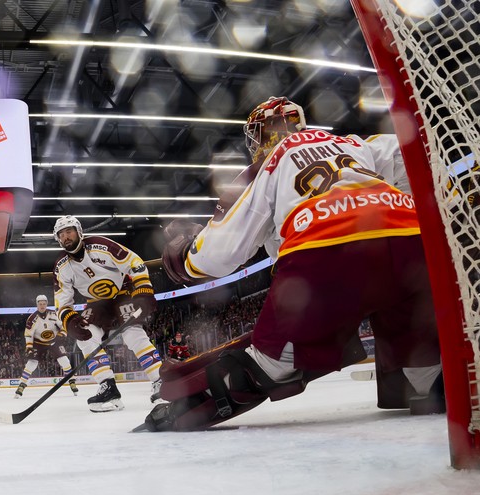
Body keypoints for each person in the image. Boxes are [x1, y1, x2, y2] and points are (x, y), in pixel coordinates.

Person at [155, 96, 441, 430]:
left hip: (324, 253)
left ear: (261, 134)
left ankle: (191, 406)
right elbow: (419, 154)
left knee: (270, 364)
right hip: (410, 244)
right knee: (421, 353)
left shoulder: (267, 165)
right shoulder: (355, 143)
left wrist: (187, 256)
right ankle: (434, 385)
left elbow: (221, 253)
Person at [52, 216, 163, 412]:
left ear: (79, 232)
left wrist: (143, 289)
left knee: (132, 333)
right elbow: (62, 301)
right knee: (85, 335)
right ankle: (108, 387)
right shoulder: (61, 266)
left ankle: (160, 380)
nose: (65, 237)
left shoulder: (100, 245)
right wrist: (69, 320)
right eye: (61, 234)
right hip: (97, 303)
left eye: (69, 231)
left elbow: (134, 262)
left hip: (123, 293)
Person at [14, 294, 79, 398]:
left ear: (47, 304)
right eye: (40, 304)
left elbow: (63, 325)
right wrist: (29, 347)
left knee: (64, 360)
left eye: (44, 304)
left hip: (54, 341)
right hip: (39, 342)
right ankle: (21, 385)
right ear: (37, 305)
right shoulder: (32, 318)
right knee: (32, 363)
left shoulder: (53, 314)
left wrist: (62, 334)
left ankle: (72, 381)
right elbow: (29, 334)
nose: (42, 306)